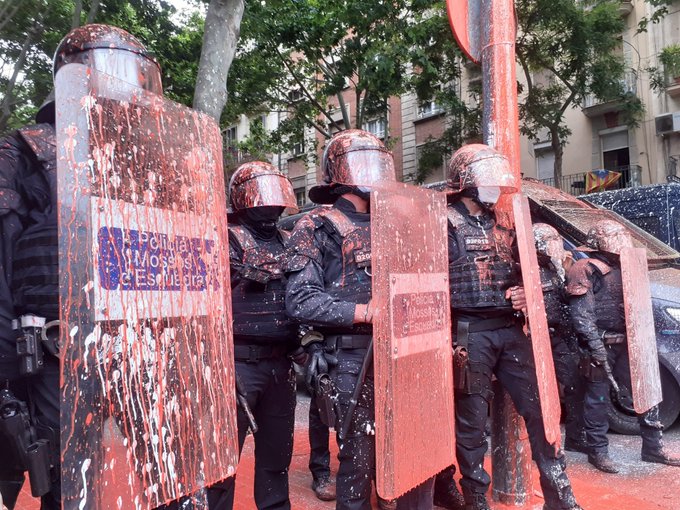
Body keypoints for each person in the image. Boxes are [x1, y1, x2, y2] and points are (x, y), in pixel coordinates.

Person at [0, 24, 182, 510]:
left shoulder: (146, 169)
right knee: (69, 486)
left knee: (160, 479)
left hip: (141, 355)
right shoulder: (28, 152)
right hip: (56, 358)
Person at [285, 129, 435, 510]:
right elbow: (300, 299)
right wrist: (364, 312)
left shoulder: (403, 221)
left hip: (409, 353)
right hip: (353, 355)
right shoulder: (318, 225)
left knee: (414, 457)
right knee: (358, 461)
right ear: (340, 174)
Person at [446, 144, 581, 510]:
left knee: (542, 410)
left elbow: (544, 279)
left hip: (510, 328)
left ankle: (560, 497)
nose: (493, 187)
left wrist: (527, 293)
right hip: (467, 333)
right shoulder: (443, 223)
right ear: (464, 182)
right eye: (485, 179)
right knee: (471, 421)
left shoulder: (507, 224)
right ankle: (476, 497)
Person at [206, 161, 302, 510]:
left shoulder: (290, 241)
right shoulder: (224, 236)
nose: (270, 204)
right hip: (237, 365)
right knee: (221, 466)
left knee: (276, 462)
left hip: (282, 365)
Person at [565, 219, 680, 473]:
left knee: (646, 393)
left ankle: (653, 447)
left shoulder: (628, 266)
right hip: (600, 343)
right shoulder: (585, 269)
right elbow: (582, 315)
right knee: (597, 398)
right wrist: (594, 346)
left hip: (630, 340)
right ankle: (598, 451)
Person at [533, 223, 586, 453]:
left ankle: (574, 438)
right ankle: (541, 444)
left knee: (574, 384)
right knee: (538, 392)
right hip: (533, 338)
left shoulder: (557, 268)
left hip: (557, 336)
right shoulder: (525, 267)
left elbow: (564, 301)